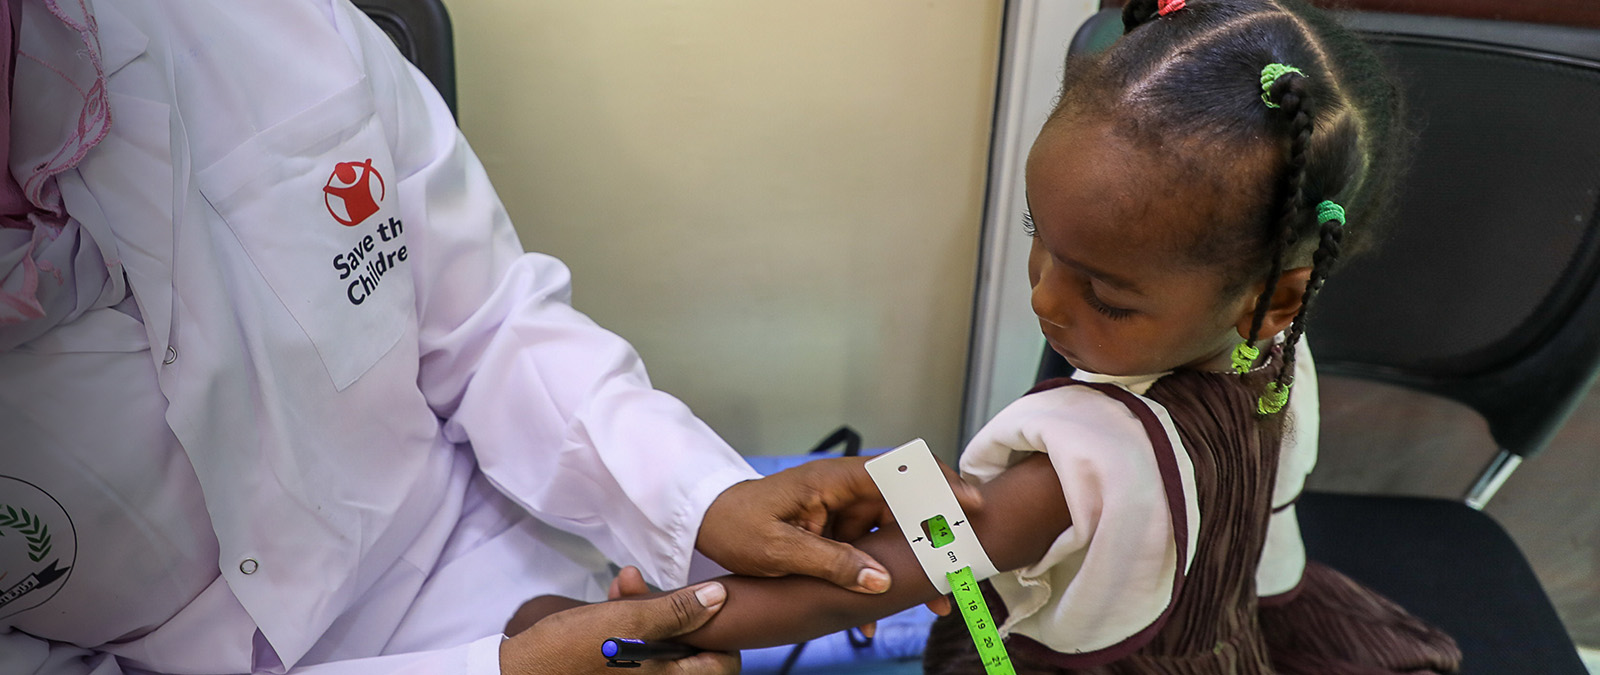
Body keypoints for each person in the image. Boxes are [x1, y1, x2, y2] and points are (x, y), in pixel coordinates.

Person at [0, 1, 976, 673]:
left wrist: (700, 496)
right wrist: (490, 669)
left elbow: (489, 324)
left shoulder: (259, 28)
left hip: (472, 566)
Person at [510, 0, 1467, 672]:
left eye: (1106, 294)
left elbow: (856, 586)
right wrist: (945, 507)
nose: (1045, 298)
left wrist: (645, 624)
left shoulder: (1078, 463)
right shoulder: (1281, 361)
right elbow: (1255, 543)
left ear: (1271, 295)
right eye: (1036, 238)